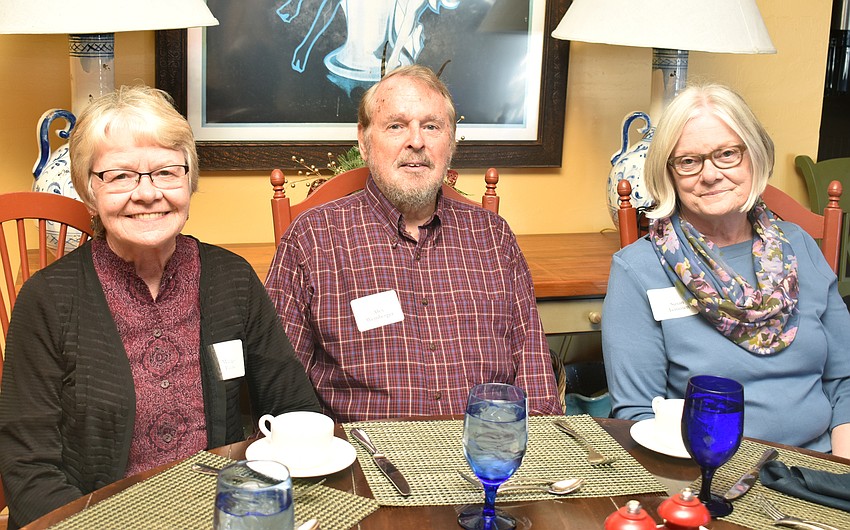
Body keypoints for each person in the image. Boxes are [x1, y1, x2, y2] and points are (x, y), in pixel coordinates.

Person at [0, 86, 320, 528]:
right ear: (88, 190)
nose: (147, 194)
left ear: (189, 181)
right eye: (120, 175)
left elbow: (295, 408)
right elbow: (28, 470)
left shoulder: (232, 278)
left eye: (166, 172)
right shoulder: (47, 299)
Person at [265, 65, 561, 422]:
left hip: (484, 460)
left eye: (432, 126)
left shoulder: (493, 238)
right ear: (363, 140)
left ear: (450, 142)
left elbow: (537, 384)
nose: (417, 142)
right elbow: (280, 390)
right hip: (368, 464)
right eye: (396, 125)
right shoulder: (313, 239)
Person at [602, 84, 850, 457]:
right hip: (708, 473)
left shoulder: (800, 246)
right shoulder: (639, 269)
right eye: (689, 161)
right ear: (668, 173)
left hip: (819, 465)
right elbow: (637, 416)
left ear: (754, 155)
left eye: (727, 154)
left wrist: (840, 478)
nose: (711, 174)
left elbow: (845, 382)